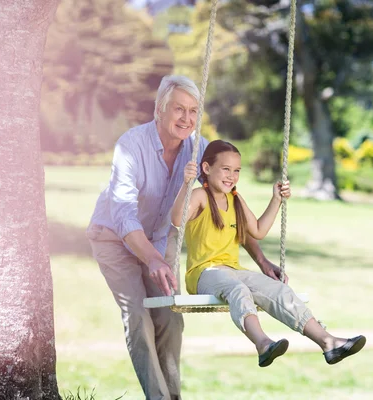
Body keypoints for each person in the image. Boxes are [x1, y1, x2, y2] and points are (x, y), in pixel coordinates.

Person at [86, 75, 286, 400]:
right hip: (113, 236)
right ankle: (158, 397)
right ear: (159, 110)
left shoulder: (200, 148)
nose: (186, 118)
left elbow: (227, 207)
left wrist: (261, 260)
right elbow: (123, 214)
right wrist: (150, 258)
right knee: (138, 316)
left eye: (193, 111)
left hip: (160, 240)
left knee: (170, 318)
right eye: (179, 109)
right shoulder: (131, 145)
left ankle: (174, 396)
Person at [171, 139, 366, 368]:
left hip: (233, 271)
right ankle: (262, 343)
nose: (231, 176)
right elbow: (177, 219)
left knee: (278, 289)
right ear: (206, 168)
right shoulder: (199, 196)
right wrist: (185, 183)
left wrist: (276, 200)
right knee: (238, 289)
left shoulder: (235, 199)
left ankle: (328, 342)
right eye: (225, 169)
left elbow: (258, 231)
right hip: (205, 274)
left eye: (236, 171)